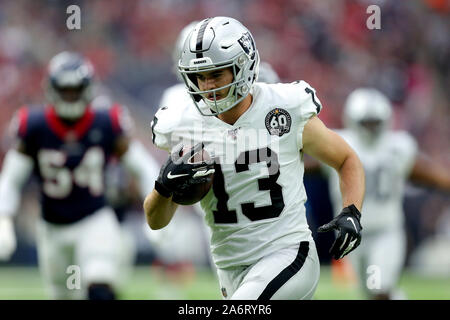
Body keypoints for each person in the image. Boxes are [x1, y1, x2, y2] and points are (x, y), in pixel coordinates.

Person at [144, 17, 366, 300]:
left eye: (216, 74)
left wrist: (352, 211)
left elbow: (346, 158)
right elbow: (156, 221)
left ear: (243, 66)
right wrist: (163, 187)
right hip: (229, 267)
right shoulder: (181, 123)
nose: (207, 86)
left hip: (287, 253)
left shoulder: (283, 107)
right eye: (200, 76)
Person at [0, 51, 156, 300]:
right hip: (51, 228)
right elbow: (11, 179)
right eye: (65, 90)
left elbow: (143, 167)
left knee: (100, 285)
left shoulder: (106, 122)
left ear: (87, 89)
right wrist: (3, 219)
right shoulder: (34, 125)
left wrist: (156, 212)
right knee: (65, 295)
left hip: (94, 219)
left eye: (75, 89)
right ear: (52, 89)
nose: (70, 96)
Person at [311, 88, 450, 300]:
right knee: (371, 291)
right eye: (366, 122)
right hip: (352, 236)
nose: (371, 128)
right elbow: (305, 165)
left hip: (385, 233)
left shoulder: (397, 147)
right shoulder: (340, 144)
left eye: (375, 122)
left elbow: (423, 173)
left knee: (378, 288)